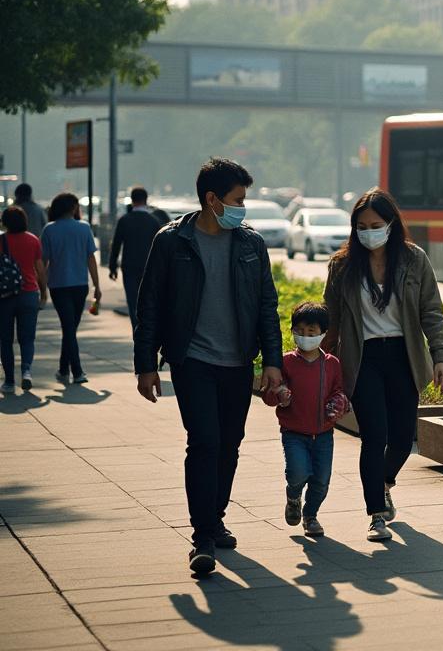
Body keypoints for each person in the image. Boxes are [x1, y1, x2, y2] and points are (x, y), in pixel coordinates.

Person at [133, 158, 284, 577]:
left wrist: (273, 361)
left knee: (229, 443)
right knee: (204, 441)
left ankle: (214, 517)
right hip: (192, 360)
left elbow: (266, 307)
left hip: (238, 362)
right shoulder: (172, 241)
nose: (242, 209)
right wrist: (146, 364)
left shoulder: (251, 244)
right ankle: (201, 536)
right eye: (237, 200)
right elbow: (151, 305)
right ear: (212, 199)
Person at [323, 189, 443, 543]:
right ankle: (376, 513)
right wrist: (320, 365)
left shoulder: (414, 260)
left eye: (376, 225)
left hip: (403, 355)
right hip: (362, 359)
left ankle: (385, 481)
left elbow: (432, 311)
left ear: (391, 224)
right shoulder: (342, 265)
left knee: (401, 437)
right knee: (373, 435)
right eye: (361, 226)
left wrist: (441, 357)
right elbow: (331, 321)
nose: (368, 232)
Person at [261, 302, 348, 539]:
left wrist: (339, 403)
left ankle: (310, 516)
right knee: (298, 473)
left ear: (322, 333)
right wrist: (279, 395)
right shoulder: (285, 362)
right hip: (294, 433)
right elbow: (268, 394)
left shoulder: (331, 364)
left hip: (324, 435)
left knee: (321, 481)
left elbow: (339, 392)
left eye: (311, 332)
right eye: (299, 331)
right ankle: (293, 496)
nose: (305, 336)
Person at [40, 193, 101, 384]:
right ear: (74, 207)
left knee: (69, 329)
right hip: (80, 285)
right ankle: (77, 371)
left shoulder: (49, 230)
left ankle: (64, 369)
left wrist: (41, 286)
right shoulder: (84, 228)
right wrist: (96, 285)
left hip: (58, 285)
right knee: (70, 328)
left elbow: (43, 261)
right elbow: (91, 259)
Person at [0, 207, 48, 393]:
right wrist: (43, 293)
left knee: (5, 340)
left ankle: (10, 381)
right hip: (28, 293)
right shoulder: (33, 240)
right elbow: (40, 270)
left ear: (5, 222)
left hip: (5, 296)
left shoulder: (1, 240)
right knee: (27, 338)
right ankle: (26, 371)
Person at [109, 187, 166, 330]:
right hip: (149, 268)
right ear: (146, 200)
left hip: (129, 267)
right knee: (148, 302)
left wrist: (112, 267)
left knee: (133, 301)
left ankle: (137, 330)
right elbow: (161, 248)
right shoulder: (154, 221)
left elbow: (116, 245)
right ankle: (148, 332)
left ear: (132, 200)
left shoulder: (124, 220)